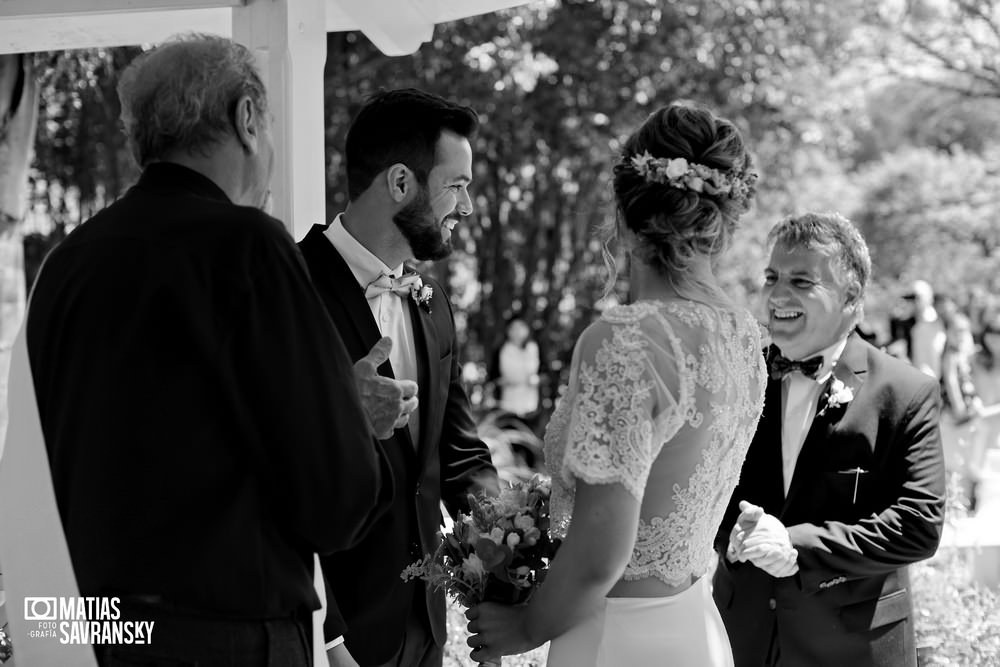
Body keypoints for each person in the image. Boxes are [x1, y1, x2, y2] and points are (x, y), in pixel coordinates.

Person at [21, 34, 415, 666]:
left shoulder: (68, 263)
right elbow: (334, 500)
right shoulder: (247, 246)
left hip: (87, 631)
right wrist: (351, 416)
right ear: (247, 118)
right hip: (222, 632)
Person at [465, 101, 765, 666]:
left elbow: (601, 552)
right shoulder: (744, 336)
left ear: (625, 214)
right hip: (694, 628)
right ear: (721, 221)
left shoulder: (627, 340)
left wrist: (527, 625)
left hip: (615, 637)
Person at [296, 87, 499, 667]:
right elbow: (267, 471)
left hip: (425, 626)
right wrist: (327, 639)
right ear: (401, 183)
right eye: (455, 185)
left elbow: (457, 455)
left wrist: (513, 548)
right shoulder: (287, 289)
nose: (466, 205)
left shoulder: (431, 301)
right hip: (335, 638)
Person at [713, 212, 946, 667]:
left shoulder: (905, 391)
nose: (778, 294)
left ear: (851, 296)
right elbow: (707, 491)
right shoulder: (738, 379)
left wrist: (796, 545)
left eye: (802, 281)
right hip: (742, 638)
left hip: (852, 646)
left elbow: (918, 525)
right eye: (772, 277)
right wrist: (732, 536)